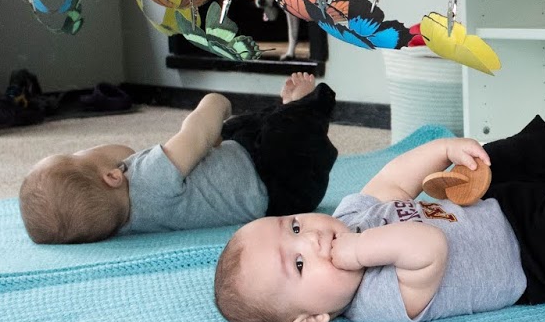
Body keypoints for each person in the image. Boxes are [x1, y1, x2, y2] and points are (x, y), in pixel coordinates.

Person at [212, 112, 545, 322]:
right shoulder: (376, 301)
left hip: (493, 208)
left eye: (292, 227)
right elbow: (427, 247)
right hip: (536, 262)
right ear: (313, 318)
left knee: (487, 161)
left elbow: (395, 180)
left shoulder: (349, 216)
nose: (311, 241)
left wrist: (446, 150)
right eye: (300, 265)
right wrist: (355, 252)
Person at [19, 73, 338, 244]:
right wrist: (215, 102)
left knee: (233, 133)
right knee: (268, 127)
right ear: (112, 177)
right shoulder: (150, 176)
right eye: (77, 155)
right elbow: (196, 133)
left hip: (270, 189)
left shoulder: (124, 224)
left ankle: (287, 109)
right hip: (281, 171)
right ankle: (302, 106)